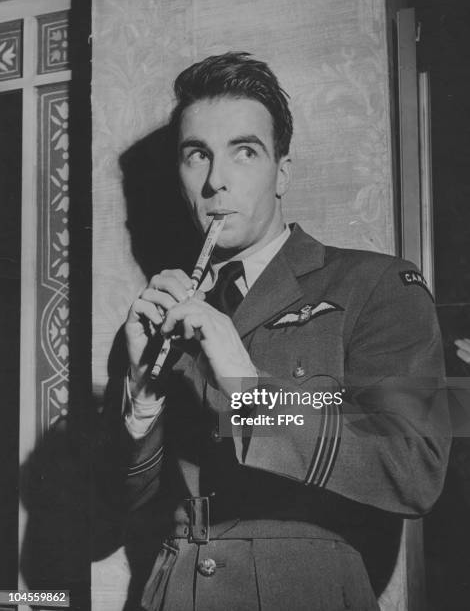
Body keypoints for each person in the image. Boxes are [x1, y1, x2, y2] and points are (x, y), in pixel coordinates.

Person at [118, 52, 450, 610]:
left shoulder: (377, 283)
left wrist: (250, 390)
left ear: (283, 172)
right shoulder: (166, 313)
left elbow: (416, 468)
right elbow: (127, 503)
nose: (215, 182)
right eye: (197, 155)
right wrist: (141, 396)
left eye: (243, 152)